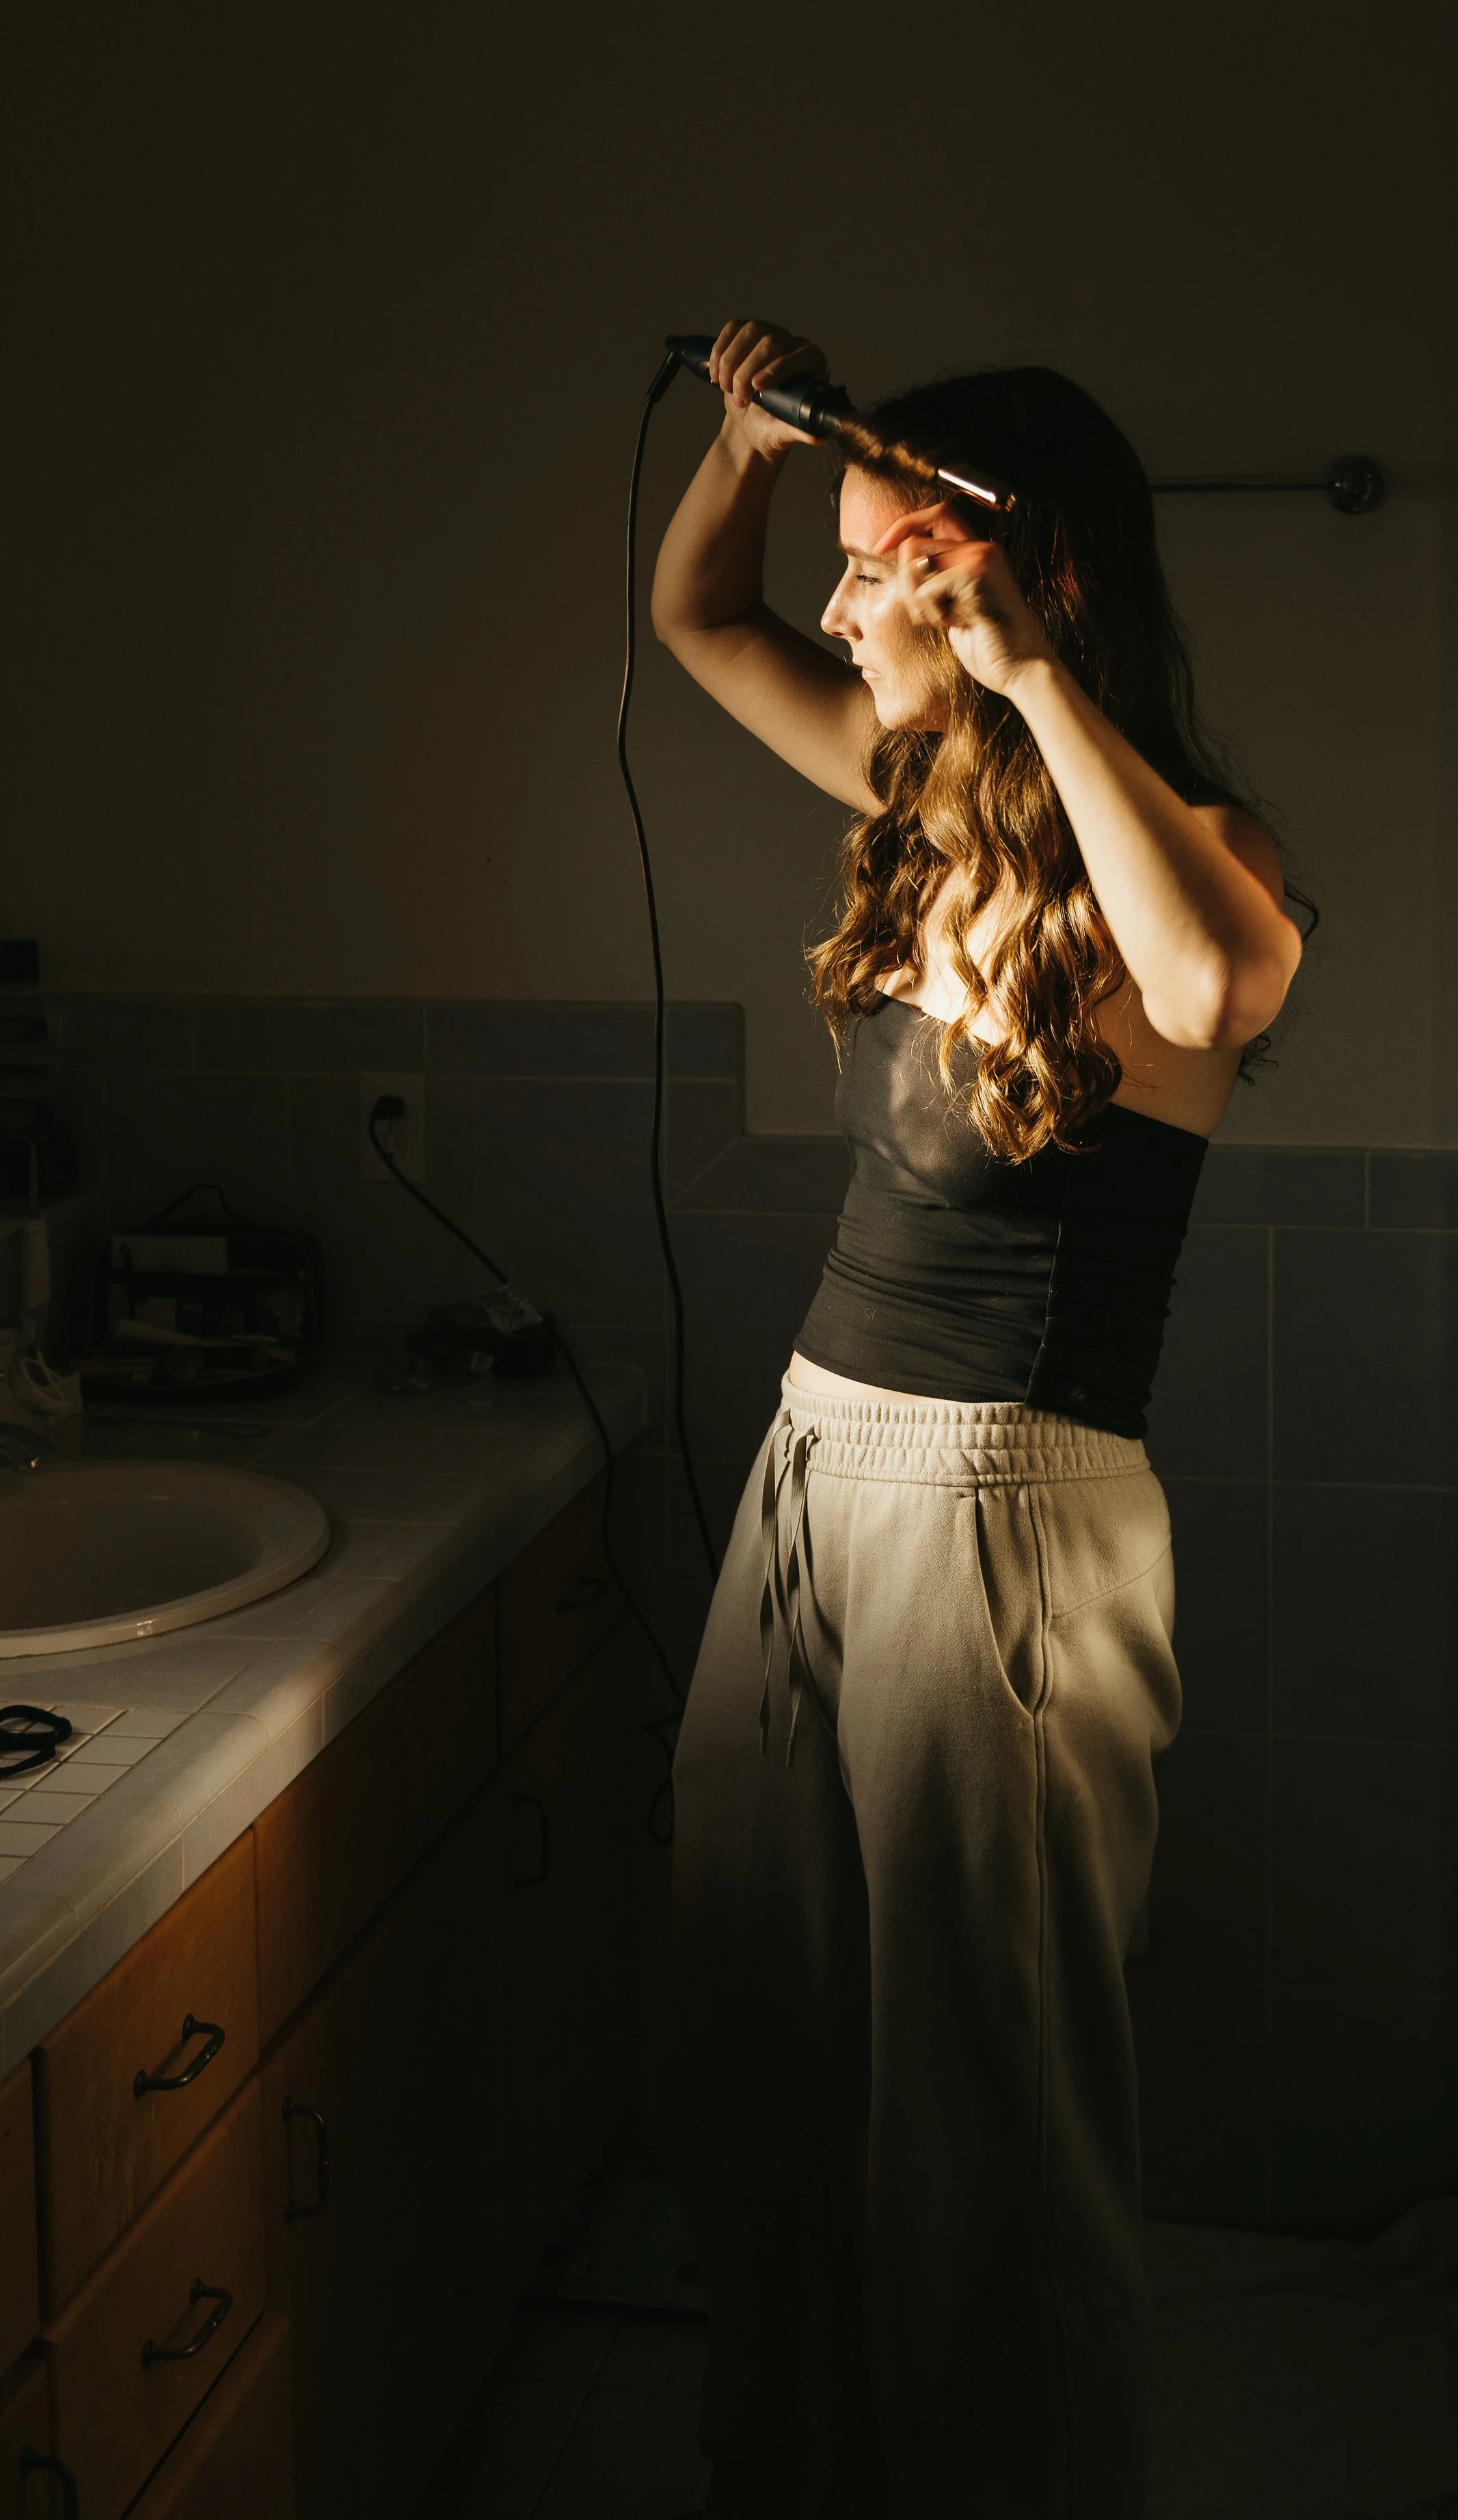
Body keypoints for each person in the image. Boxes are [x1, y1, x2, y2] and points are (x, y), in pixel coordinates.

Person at [651, 321, 1305, 2520]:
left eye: (888, 568)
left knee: (982, 2115)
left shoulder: (1189, 857)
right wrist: (745, 449)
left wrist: (1027, 673)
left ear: (1025, 589)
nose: (846, 610)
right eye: (849, 566)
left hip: (1003, 1518)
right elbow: (696, 615)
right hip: (812, 1467)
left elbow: (1218, 989)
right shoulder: (908, 800)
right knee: (760, 2019)